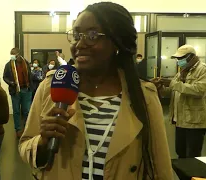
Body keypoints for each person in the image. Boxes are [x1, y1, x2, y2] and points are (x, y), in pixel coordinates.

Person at [19, 2, 173, 180]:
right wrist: (42, 143)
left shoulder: (144, 95)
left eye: (92, 35)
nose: (79, 44)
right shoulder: (51, 85)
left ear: (117, 42)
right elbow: (25, 145)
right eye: (76, 35)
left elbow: (160, 167)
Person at [152, 44, 206, 158]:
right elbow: (172, 91)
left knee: (192, 156)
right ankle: (184, 176)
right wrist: (161, 87)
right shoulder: (182, 71)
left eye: (181, 58)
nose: (178, 61)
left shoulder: (203, 70)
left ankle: (192, 176)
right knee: (180, 152)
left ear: (191, 57)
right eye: (178, 58)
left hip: (194, 122)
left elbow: (199, 90)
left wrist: (171, 83)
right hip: (180, 120)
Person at [3, 48, 32, 138]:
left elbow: (29, 75)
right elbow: (5, 77)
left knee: (26, 110)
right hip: (15, 90)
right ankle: (18, 129)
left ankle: (27, 129)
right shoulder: (8, 65)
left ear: (18, 54)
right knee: (16, 111)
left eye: (13, 54)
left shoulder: (25, 63)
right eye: (11, 54)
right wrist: (11, 83)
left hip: (26, 90)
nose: (12, 55)